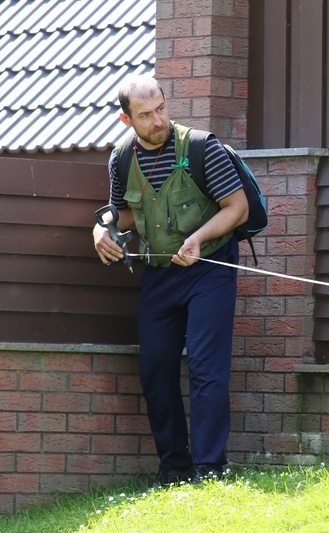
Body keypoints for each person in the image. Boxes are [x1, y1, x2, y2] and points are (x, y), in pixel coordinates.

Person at [93, 75, 249, 486]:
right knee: (155, 368)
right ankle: (174, 469)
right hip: (160, 274)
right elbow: (121, 212)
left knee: (204, 366)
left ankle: (210, 468)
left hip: (210, 267)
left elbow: (237, 208)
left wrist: (198, 238)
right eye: (145, 115)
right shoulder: (121, 158)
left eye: (160, 108)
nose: (157, 120)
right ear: (126, 119)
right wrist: (101, 229)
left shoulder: (202, 148)